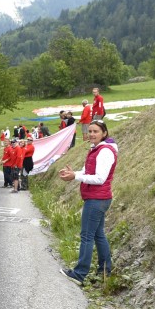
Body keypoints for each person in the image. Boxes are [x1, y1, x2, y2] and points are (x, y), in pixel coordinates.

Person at [58, 120, 117, 285]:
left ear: (104, 133)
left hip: (97, 199)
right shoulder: (96, 149)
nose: (91, 134)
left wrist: (75, 177)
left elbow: (100, 178)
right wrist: (73, 173)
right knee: (98, 235)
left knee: (86, 236)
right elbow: (87, 172)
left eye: (95, 131)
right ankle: (104, 271)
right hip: (98, 198)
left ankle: (79, 273)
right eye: (90, 131)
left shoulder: (105, 151)